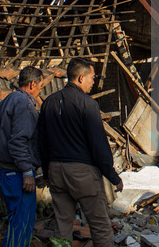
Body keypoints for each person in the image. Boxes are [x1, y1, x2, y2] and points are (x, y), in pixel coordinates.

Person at [38, 57, 123, 247]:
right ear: (81, 78)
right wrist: (112, 176)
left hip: (56, 171)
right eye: (93, 77)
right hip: (82, 173)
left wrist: (46, 171)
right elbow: (98, 145)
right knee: (100, 226)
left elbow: (41, 142)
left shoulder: (49, 103)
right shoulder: (87, 104)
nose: (94, 82)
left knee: (62, 227)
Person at [0, 66, 44, 247]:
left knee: (15, 222)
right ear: (32, 84)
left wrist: (0, 164)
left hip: (8, 172)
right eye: (40, 86)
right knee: (22, 224)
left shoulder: (7, 100)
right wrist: (27, 171)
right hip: (19, 174)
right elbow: (18, 141)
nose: (39, 91)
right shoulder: (24, 104)